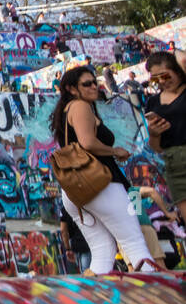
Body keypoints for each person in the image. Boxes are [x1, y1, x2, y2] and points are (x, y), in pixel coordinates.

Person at [49, 66, 157, 273]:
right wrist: (114, 150)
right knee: (135, 244)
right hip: (102, 185)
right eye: (86, 84)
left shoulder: (66, 110)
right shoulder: (80, 106)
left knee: (102, 251)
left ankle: (94, 301)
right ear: (71, 88)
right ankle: (150, 299)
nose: (93, 87)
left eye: (94, 82)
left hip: (75, 191)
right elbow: (87, 142)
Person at [144, 51, 186, 213]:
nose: (161, 81)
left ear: (177, 70)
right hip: (174, 165)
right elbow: (156, 147)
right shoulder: (153, 103)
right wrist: (154, 134)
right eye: (155, 78)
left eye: (165, 75)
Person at [59, 207, 91, 273]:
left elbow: (63, 230)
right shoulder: (86, 203)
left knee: (85, 272)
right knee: (89, 273)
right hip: (90, 242)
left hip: (76, 244)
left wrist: (68, 248)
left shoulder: (65, 208)